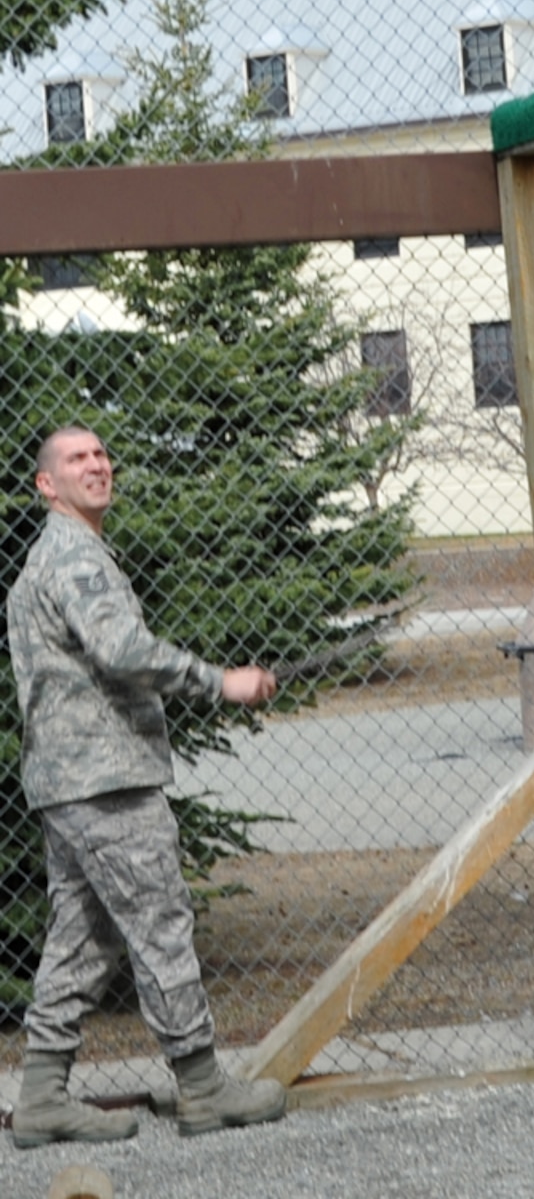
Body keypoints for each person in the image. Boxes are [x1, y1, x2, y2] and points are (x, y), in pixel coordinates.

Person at [6, 423, 289, 1150]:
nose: (96, 464)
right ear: (47, 485)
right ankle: (201, 1087)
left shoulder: (58, 556)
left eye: (100, 454)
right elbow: (122, 649)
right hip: (107, 784)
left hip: (71, 785)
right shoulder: (75, 559)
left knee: (84, 938)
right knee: (160, 924)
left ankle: (39, 1099)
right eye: (76, 459)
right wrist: (220, 681)